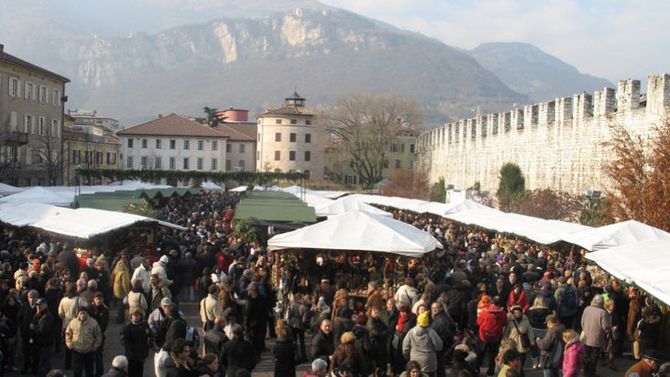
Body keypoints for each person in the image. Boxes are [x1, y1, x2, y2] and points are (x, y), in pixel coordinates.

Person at [65, 307, 103, 377]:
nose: (82, 315)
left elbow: (98, 336)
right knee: (77, 371)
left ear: (87, 313)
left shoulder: (93, 323)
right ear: (78, 314)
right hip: (77, 351)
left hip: (89, 351)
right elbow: (68, 334)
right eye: (81, 313)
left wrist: (95, 347)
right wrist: (70, 345)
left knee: (89, 371)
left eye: (84, 313)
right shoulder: (73, 323)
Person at [402, 311, 443, 376]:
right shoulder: (431, 332)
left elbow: (405, 348)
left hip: (414, 364)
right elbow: (439, 346)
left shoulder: (411, 332)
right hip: (429, 364)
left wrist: (408, 357)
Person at [580, 294, 611, 377]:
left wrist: (586, 329)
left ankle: (586, 372)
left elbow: (582, 322)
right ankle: (591, 373)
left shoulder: (587, 309)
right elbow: (606, 327)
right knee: (594, 357)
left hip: (586, 337)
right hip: (596, 338)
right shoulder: (603, 312)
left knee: (586, 355)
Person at [477, 297, 507, 377]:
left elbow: (479, 322)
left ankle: (476, 368)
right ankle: (490, 372)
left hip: (483, 336)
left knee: (480, 353)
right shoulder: (502, 313)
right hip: (495, 337)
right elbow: (504, 323)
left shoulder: (485, 312)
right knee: (492, 355)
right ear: (499, 304)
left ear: (491, 303)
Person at [59, 282, 84, 370]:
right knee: (77, 345)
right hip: (76, 325)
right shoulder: (78, 300)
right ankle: (77, 363)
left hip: (66, 324)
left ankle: (67, 364)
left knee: (67, 345)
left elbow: (60, 313)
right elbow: (86, 308)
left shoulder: (63, 300)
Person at [503, 305, 534, 376]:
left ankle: (519, 372)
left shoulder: (526, 320)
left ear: (521, 313)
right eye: (515, 312)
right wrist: (505, 343)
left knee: (521, 360)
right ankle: (515, 373)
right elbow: (506, 333)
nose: (517, 314)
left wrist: (532, 342)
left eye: (518, 312)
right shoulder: (510, 321)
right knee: (513, 361)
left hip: (522, 344)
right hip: (512, 344)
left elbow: (530, 331)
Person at [120, 309, 152, 377]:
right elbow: (124, 341)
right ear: (131, 316)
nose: (135, 317)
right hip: (132, 356)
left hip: (141, 355)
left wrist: (148, 346)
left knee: (139, 372)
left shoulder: (144, 325)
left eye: (137, 315)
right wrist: (132, 348)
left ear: (140, 316)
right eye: (134, 315)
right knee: (132, 373)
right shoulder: (127, 327)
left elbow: (149, 335)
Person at [430, 302, 455, 377]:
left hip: (441, 346)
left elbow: (445, 334)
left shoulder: (441, 319)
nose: (434, 309)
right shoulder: (441, 317)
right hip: (442, 345)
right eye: (433, 308)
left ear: (440, 308)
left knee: (440, 366)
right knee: (440, 366)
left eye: (436, 307)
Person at [32, 297, 55, 377]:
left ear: (45, 305)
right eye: (37, 305)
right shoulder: (39, 314)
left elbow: (43, 331)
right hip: (40, 343)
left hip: (45, 344)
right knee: (44, 363)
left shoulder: (47, 317)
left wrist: (33, 327)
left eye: (40, 305)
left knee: (43, 363)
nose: (38, 306)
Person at [18, 289, 39, 374]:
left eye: (34, 297)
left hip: (35, 334)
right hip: (25, 333)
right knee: (25, 351)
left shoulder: (39, 307)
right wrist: (22, 328)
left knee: (35, 352)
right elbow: (19, 317)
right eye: (30, 297)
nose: (32, 299)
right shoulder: (24, 306)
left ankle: (34, 368)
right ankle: (26, 366)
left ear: (37, 298)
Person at [90, 292, 110, 377]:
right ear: (94, 300)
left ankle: (99, 374)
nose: (98, 301)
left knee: (98, 356)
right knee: (90, 356)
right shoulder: (90, 309)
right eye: (97, 299)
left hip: (99, 336)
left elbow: (103, 325)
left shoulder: (105, 310)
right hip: (89, 335)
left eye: (100, 299)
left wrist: (97, 333)